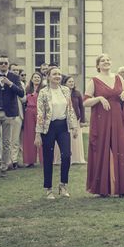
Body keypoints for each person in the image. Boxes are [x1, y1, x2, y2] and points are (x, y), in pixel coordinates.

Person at [84, 53, 124, 197]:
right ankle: (102, 188)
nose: (106, 62)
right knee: (102, 149)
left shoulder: (119, 78)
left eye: (108, 60)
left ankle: (122, 188)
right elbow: (85, 101)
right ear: (98, 65)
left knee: (121, 148)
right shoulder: (94, 80)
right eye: (102, 60)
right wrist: (99, 98)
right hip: (102, 120)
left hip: (118, 118)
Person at [34, 67, 79, 199]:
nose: (57, 76)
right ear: (48, 76)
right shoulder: (43, 92)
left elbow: (70, 109)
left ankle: (63, 185)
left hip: (63, 127)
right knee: (48, 157)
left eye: (59, 74)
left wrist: (74, 126)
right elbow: (40, 114)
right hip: (49, 128)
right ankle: (48, 189)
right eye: (54, 74)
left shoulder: (65, 90)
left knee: (66, 156)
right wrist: (38, 133)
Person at [0, 55, 25, 178]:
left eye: (5, 63)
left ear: (8, 65)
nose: (3, 65)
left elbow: (21, 93)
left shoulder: (14, 77)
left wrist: (10, 83)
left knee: (7, 142)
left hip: (9, 113)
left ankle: (4, 168)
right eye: (1, 63)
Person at [22, 72, 43, 167]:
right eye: (35, 77)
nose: (37, 79)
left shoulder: (44, 89)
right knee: (29, 135)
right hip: (29, 112)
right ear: (31, 79)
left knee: (42, 134)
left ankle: (44, 159)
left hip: (40, 112)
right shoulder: (27, 89)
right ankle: (30, 160)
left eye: (38, 77)